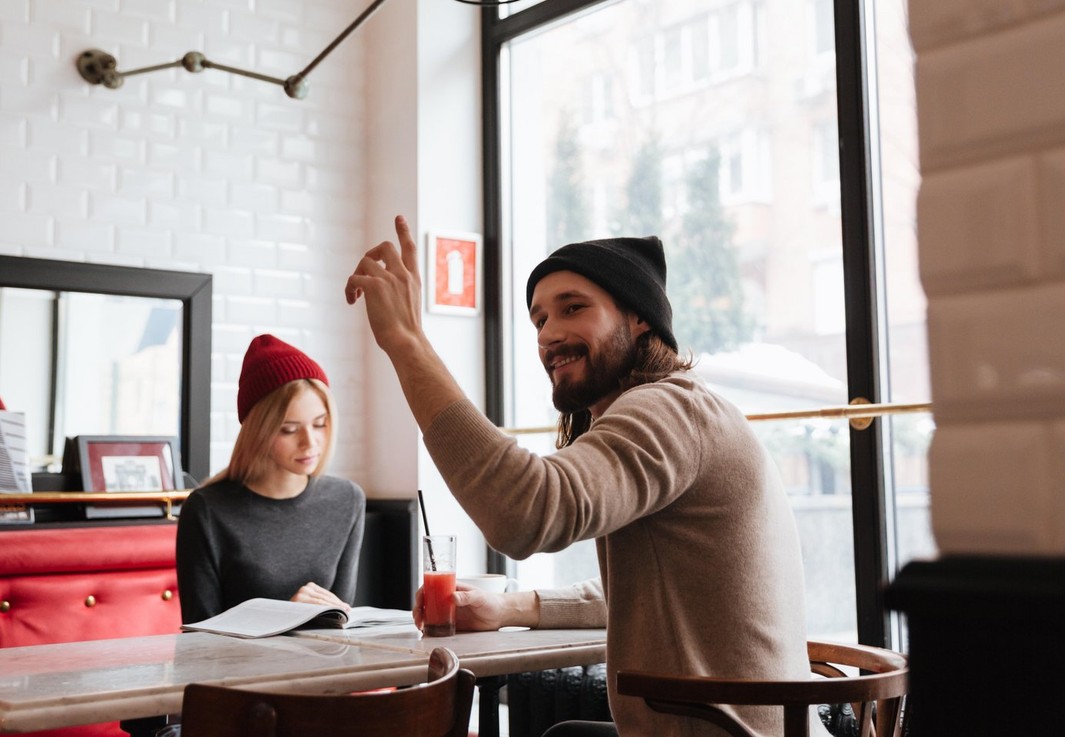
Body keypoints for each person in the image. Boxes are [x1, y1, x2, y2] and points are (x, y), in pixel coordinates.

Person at [346, 216, 825, 737]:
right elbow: (627, 594)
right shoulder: (680, 414)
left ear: (640, 318)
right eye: (539, 320)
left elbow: (526, 514)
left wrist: (408, 343)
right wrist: (508, 607)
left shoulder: (669, 410)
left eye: (573, 308)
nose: (549, 334)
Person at [175, 334, 366, 625]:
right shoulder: (207, 511)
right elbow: (200, 641)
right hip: (243, 671)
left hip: (325, 668)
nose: (310, 442)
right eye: (289, 429)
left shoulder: (346, 500)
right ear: (259, 431)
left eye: (320, 424)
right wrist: (281, 618)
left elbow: (339, 619)